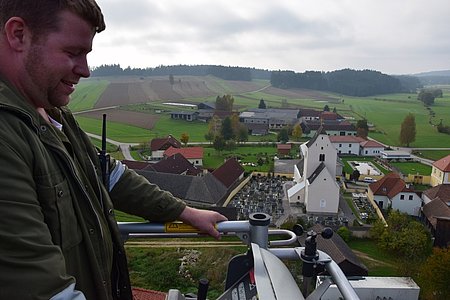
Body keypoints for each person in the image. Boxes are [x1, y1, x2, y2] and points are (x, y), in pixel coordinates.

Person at [0, 1, 227, 299]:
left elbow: (107, 174)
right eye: (72, 53)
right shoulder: (7, 134)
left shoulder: (50, 111)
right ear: (18, 34)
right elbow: (40, 287)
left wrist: (183, 212)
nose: (85, 70)